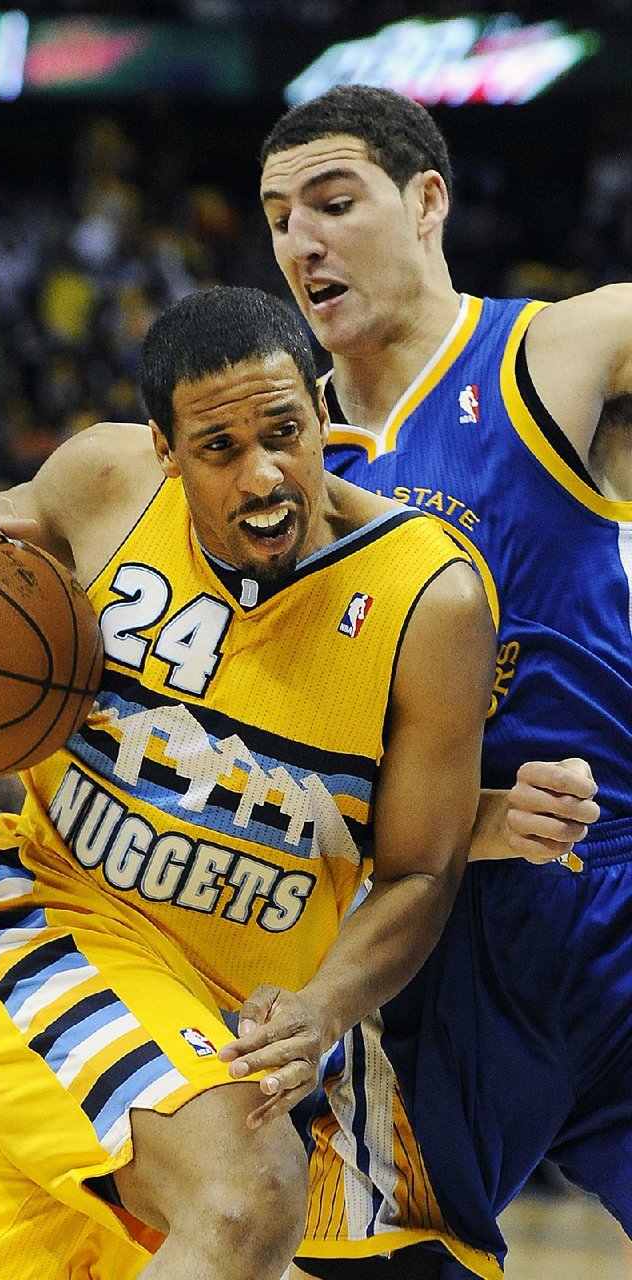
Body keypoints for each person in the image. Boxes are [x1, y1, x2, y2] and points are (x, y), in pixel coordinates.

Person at [0, 284, 497, 1280]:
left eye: (284, 431)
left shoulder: (429, 599)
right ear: (161, 447)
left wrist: (323, 1003)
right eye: (218, 448)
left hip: (215, 1025)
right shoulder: (104, 478)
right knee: (246, 1190)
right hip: (47, 929)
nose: (265, 473)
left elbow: (418, 872)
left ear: (323, 412)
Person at [251, 84, 632, 1278]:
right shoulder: (274, 470)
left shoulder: (548, 349)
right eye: (274, 216)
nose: (299, 240)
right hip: (424, 934)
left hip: (611, 895)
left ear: (425, 201)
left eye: (330, 199)